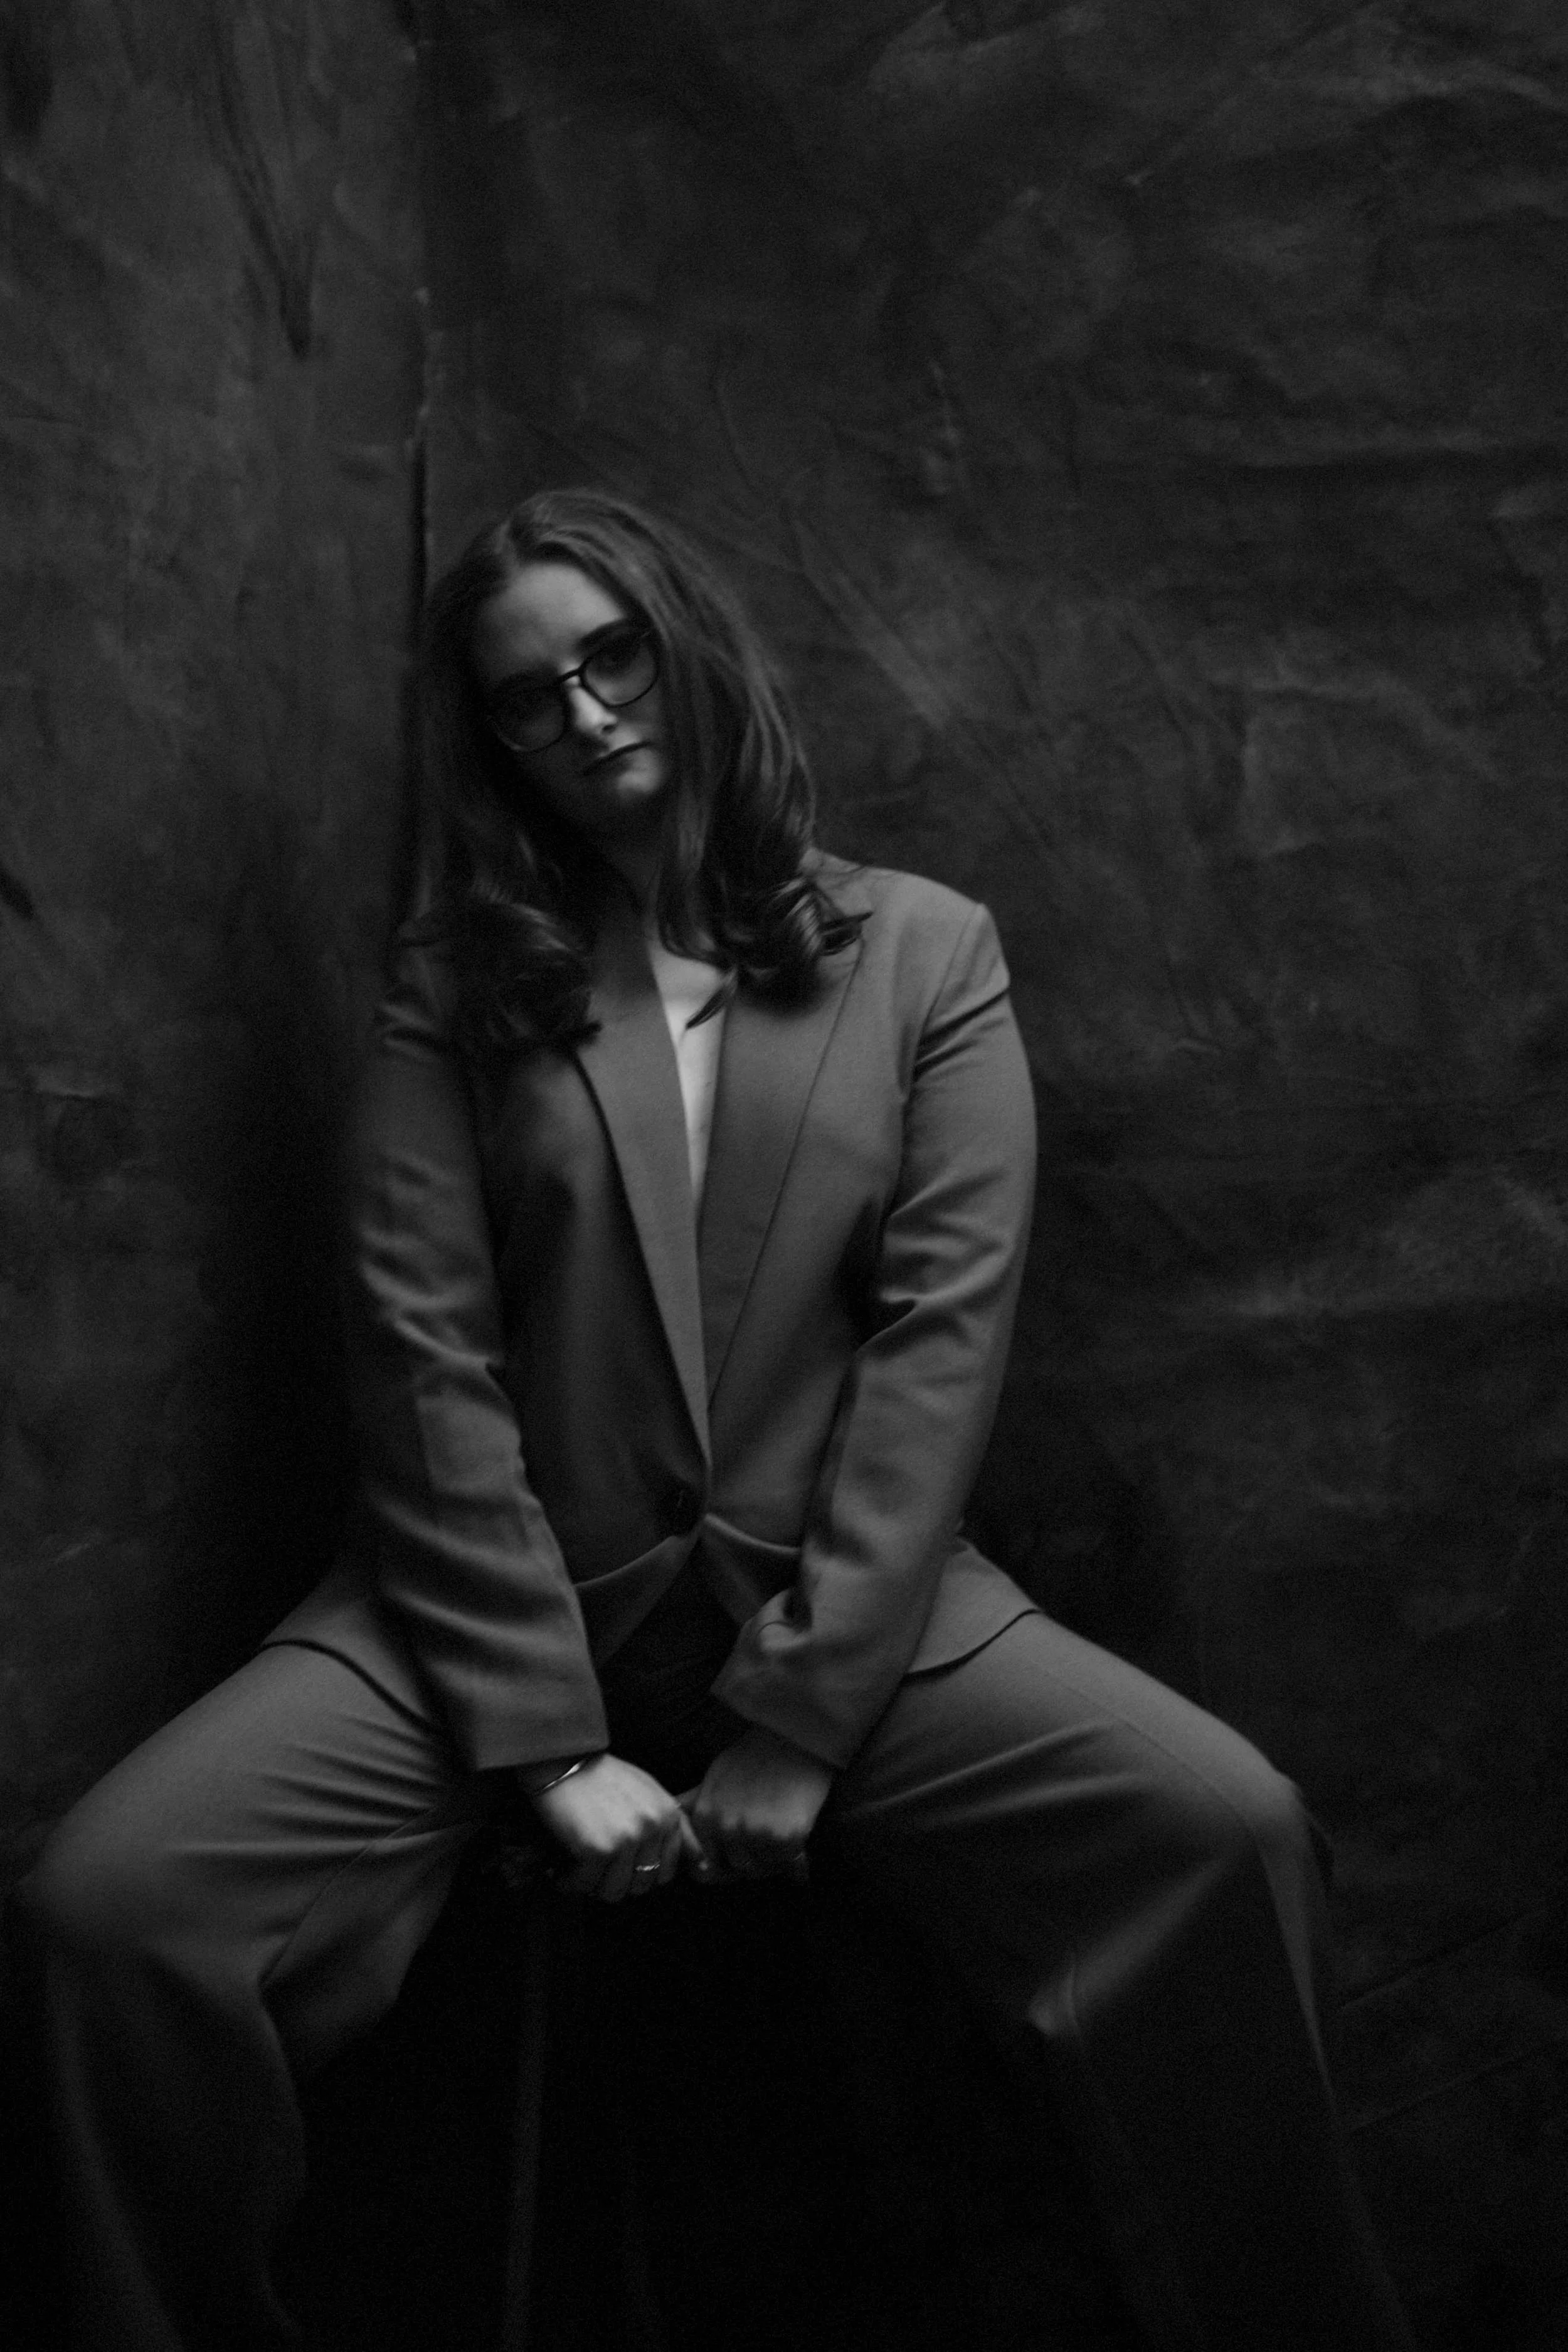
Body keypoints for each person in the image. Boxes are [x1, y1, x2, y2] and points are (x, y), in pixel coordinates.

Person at [14, 488, 1415, 2351]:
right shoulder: (456, 983)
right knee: (104, 1915)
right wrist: (540, 1745)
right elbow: (421, 1362)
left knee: (1221, 1832)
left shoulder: (924, 954)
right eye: (529, 697)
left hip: (845, 1608)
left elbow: (938, 1344)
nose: (585, 715)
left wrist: (802, 1718)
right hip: (488, 1617)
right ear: (492, 740)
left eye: (612, 656)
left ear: (686, 647)